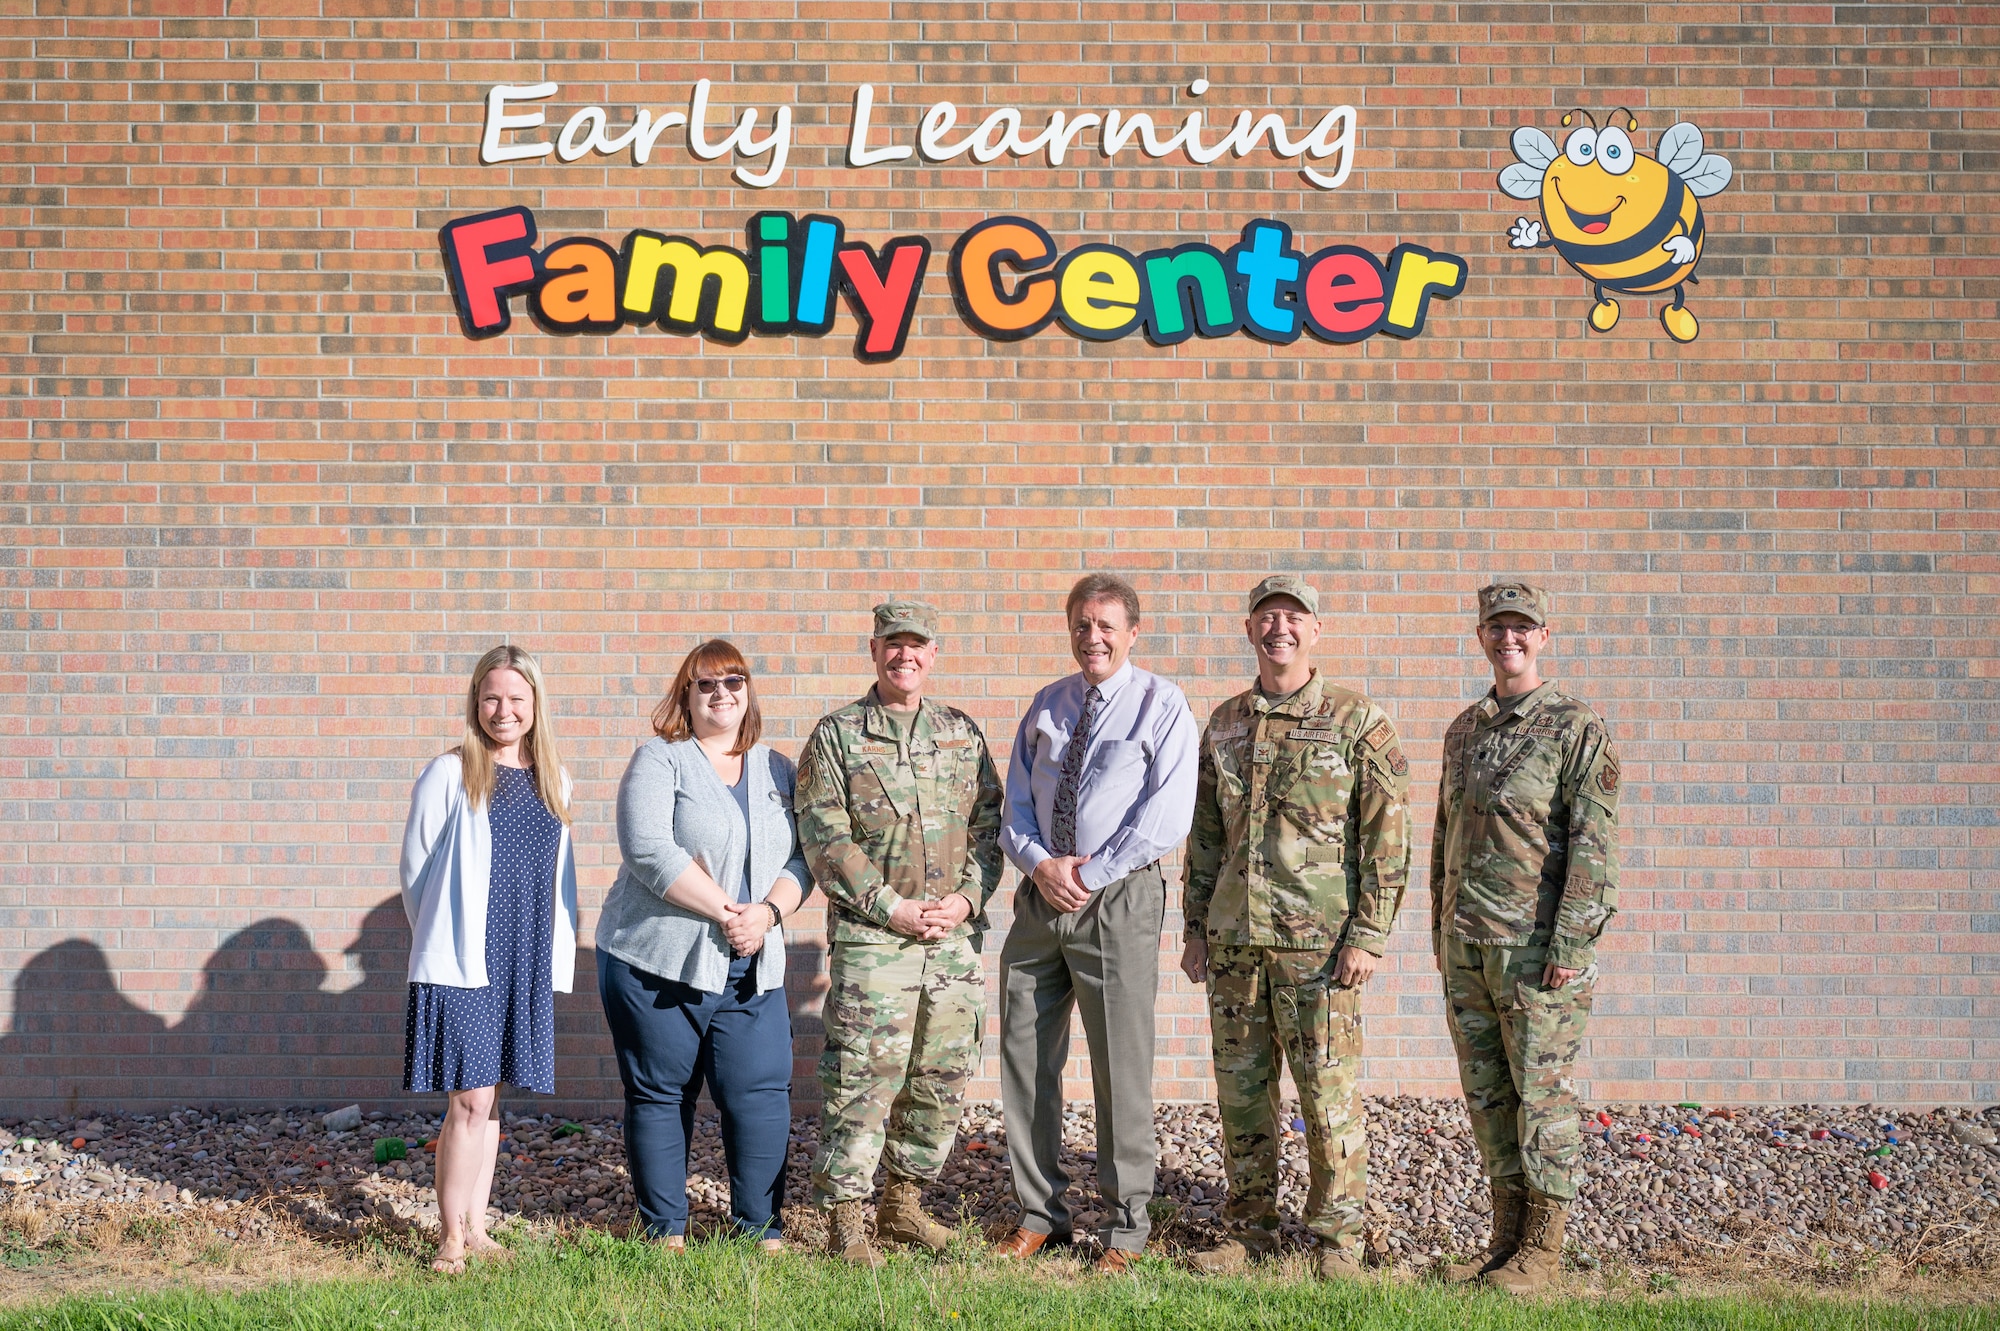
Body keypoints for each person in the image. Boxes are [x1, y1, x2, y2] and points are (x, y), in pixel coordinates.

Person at [1178, 575, 1411, 1279]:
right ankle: (1248, 1230)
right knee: (1242, 1094)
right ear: (1250, 630)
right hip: (1235, 943)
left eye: (1293, 617)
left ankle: (1337, 1238)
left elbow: (1387, 837)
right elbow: (1206, 836)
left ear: (1316, 630)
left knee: (1326, 1093)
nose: (1279, 628)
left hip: (1321, 949)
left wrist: (1370, 934)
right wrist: (1195, 925)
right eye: (1266, 617)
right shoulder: (1223, 721)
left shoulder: (1355, 720)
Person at [994, 573, 1198, 1273]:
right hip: (1040, 895)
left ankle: (1126, 1227)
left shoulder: (1161, 705)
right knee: (1024, 1056)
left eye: (1107, 624)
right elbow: (1015, 802)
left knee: (1120, 1067)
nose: (1094, 637)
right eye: (1082, 624)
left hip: (1114, 899)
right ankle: (1038, 1214)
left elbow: (1166, 816)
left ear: (1133, 632)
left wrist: (1088, 871)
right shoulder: (1048, 704)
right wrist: (1040, 863)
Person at [794, 600, 1006, 1266]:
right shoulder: (837, 734)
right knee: (861, 1078)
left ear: (933, 652)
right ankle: (847, 1218)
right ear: (874, 648)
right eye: (892, 644)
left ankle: (904, 1204)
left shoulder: (961, 732)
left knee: (939, 1075)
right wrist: (893, 907)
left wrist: (968, 900)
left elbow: (990, 827)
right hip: (874, 938)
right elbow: (825, 836)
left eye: (916, 644)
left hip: (951, 941)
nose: (904, 655)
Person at [1432, 582, 1620, 1293]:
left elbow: (1593, 848)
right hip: (1469, 946)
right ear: (1481, 635)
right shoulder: (1465, 730)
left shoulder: (1575, 728)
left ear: (1545, 635)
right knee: (1490, 1096)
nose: (1508, 637)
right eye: (1496, 626)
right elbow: (1445, 838)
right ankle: (1504, 1239)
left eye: (1522, 627)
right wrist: (1440, 934)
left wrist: (1570, 947)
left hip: (1538, 953)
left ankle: (1543, 1251)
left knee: (1542, 1100)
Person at [595, 640, 812, 1252]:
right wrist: (729, 912)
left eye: (734, 682)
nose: (722, 695)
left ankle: (759, 1228)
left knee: (761, 1091)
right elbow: (647, 849)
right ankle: (666, 1231)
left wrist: (767, 915)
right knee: (663, 1092)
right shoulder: (660, 759)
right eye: (706, 685)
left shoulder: (779, 770)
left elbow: (804, 856)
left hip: (752, 962)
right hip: (655, 960)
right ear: (685, 697)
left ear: (749, 692)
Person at [400, 644, 579, 1274]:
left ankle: (476, 1225)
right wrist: (441, 941)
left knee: (492, 1102)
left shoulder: (554, 779)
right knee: (469, 1102)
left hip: (522, 958)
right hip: (464, 961)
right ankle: (449, 1236)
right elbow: (416, 872)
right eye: (492, 698)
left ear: (536, 705)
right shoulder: (449, 772)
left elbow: (560, 880)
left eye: (517, 699)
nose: (504, 710)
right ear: (477, 702)